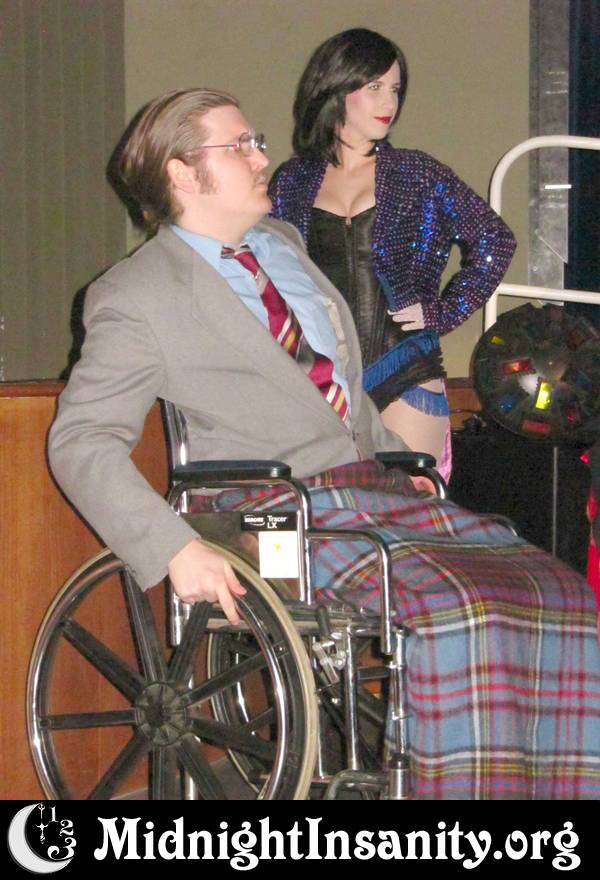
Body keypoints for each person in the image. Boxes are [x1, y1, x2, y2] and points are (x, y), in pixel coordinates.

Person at [49, 88, 600, 799]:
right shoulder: (135, 294)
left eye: (257, 142)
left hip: (368, 490)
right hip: (268, 509)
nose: (262, 158)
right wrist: (172, 547)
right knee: (453, 610)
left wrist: (393, 459)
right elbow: (82, 440)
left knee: (558, 591)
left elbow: (338, 388)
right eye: (241, 146)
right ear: (182, 172)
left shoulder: (282, 246)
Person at [268, 29, 516, 480]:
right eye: (375, 87)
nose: (389, 102)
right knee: (330, 512)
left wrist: (442, 312)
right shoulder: (293, 180)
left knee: (412, 508)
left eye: (396, 89)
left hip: (405, 368)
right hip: (321, 377)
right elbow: (271, 272)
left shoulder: (416, 172)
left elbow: (495, 241)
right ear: (336, 88)